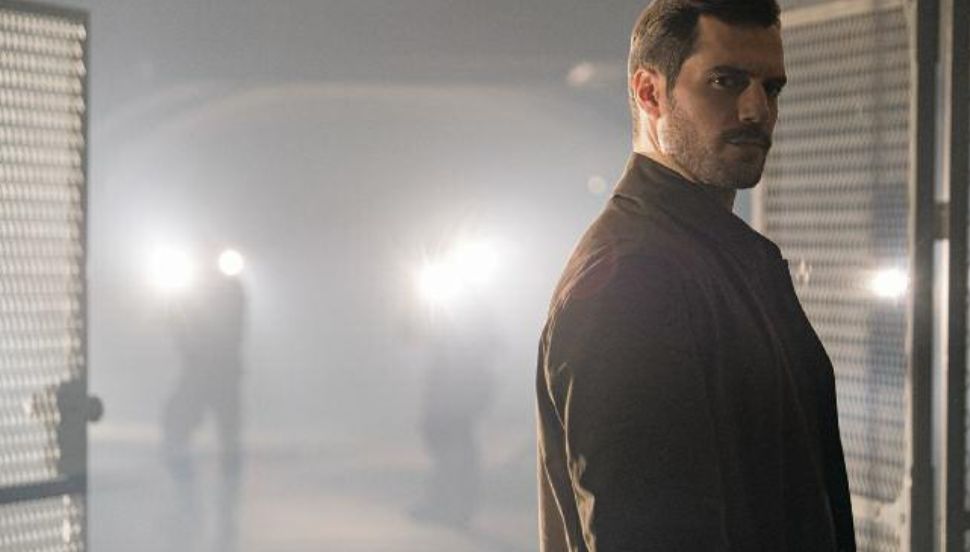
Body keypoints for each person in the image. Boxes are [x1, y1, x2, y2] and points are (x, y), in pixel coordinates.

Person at [535, 1, 855, 551]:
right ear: (649, 93)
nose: (756, 109)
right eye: (725, 82)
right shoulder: (632, 280)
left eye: (771, 88)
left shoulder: (713, 258)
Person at [162, 244, 247, 551]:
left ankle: (220, 508)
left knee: (228, 442)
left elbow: (231, 329)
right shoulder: (194, 291)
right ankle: (192, 503)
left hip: (218, 372)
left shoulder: (229, 289)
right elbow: (176, 324)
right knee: (177, 430)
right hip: (202, 372)